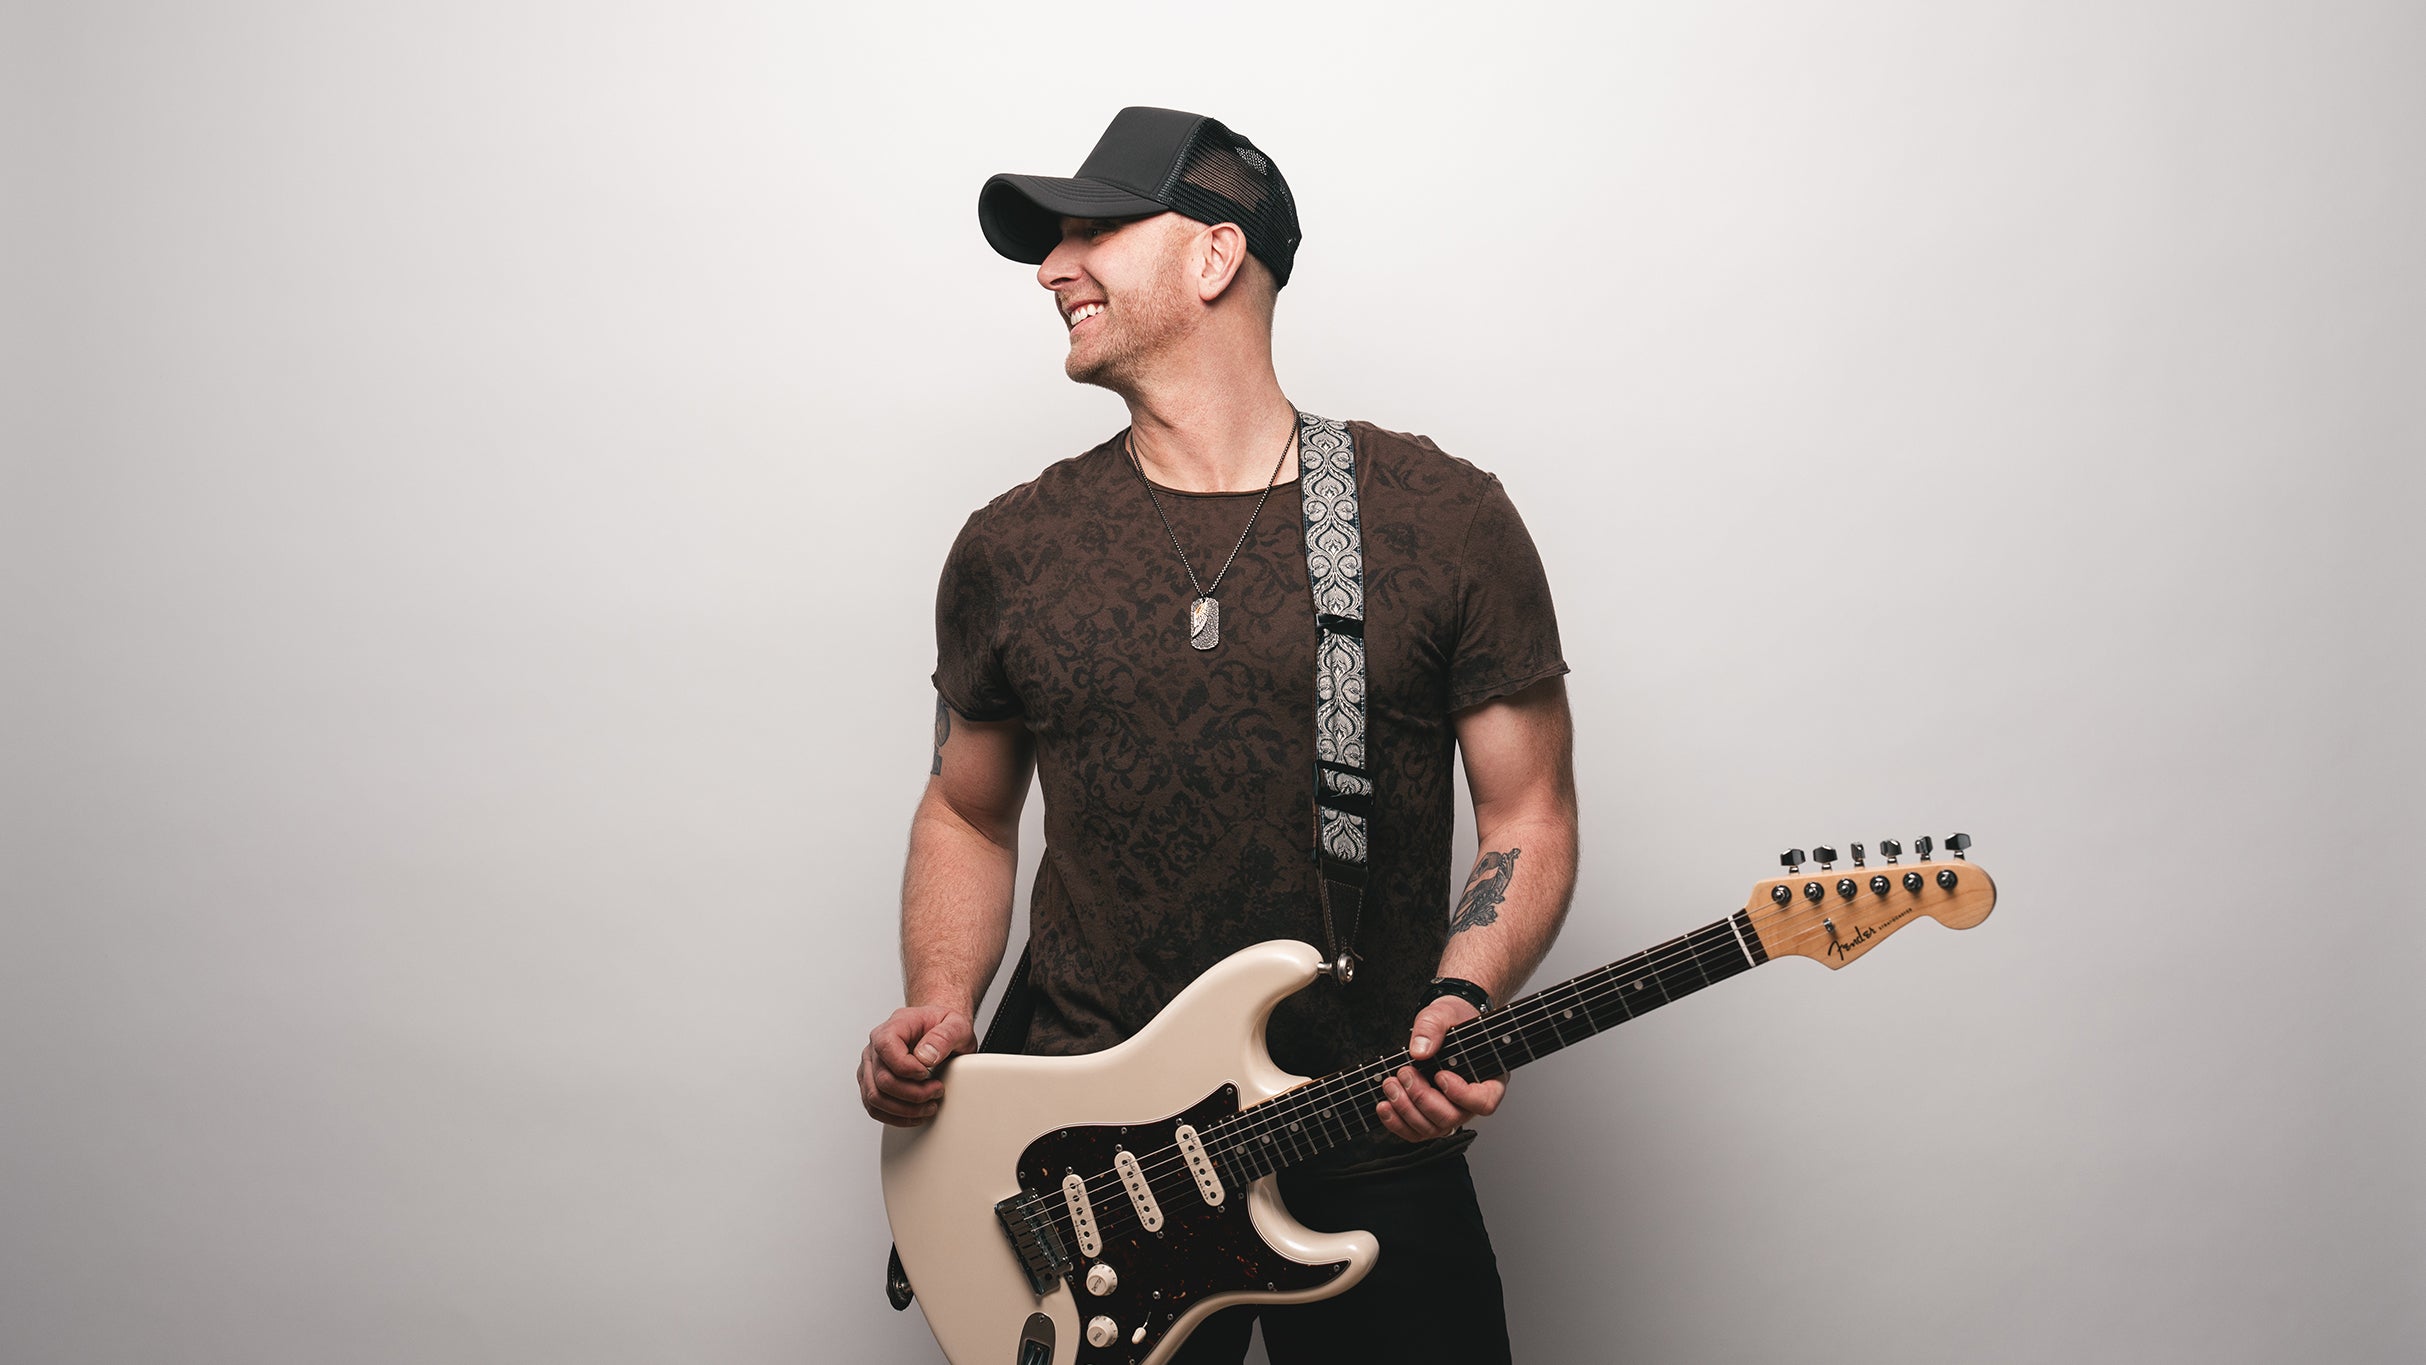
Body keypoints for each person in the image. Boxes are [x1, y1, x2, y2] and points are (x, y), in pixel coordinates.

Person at [856, 106, 1578, 1363]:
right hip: (1084, 1169)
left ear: (1213, 254)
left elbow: (1528, 810)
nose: (1051, 268)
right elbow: (965, 808)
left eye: (1091, 233)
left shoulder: (1439, 519)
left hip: (1364, 1125)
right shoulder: (1010, 548)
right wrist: (938, 1004)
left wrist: (1464, 996)